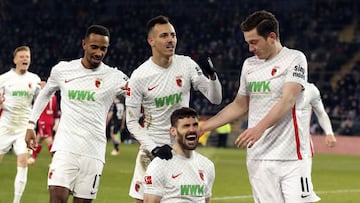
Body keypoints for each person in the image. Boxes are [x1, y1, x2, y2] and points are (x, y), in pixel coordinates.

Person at [200, 10, 310, 202]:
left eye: (254, 42)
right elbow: (239, 105)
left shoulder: (295, 58)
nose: (250, 48)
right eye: (248, 43)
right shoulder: (249, 65)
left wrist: (259, 128)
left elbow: (288, 100)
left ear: (272, 37)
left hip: (291, 157)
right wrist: (204, 127)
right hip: (258, 157)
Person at [25, 25, 129, 203]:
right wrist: (30, 124)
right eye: (94, 47)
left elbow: (139, 93)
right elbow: (45, 93)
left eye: (103, 48)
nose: (98, 52)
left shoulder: (115, 76)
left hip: (94, 151)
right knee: (56, 198)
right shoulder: (63, 70)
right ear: (84, 44)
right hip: (66, 147)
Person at [126, 15, 222, 202]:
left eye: (173, 35)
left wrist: (212, 75)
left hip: (182, 148)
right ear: (151, 40)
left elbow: (215, 98)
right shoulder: (139, 76)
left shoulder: (186, 64)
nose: (171, 40)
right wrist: (153, 148)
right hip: (151, 150)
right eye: (164, 35)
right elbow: (131, 121)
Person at [143, 107, 215, 203]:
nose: (192, 130)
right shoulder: (159, 165)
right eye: (186, 126)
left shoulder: (207, 165)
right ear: (173, 131)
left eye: (195, 125)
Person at [0, 45, 41, 203]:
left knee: (23, 161)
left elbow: (40, 100)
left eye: (27, 57)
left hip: (24, 127)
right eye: (22, 56)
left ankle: (16, 201)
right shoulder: (4, 78)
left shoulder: (34, 79)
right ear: (15, 59)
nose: (25, 59)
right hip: (5, 125)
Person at [297, 82, 336, 202]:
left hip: (302, 150)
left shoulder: (311, 90)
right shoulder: (275, 86)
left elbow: (321, 113)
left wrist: (329, 133)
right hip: (276, 150)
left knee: (304, 194)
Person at [28, 94, 60, 164]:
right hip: (50, 118)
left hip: (44, 119)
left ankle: (56, 161)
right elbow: (56, 109)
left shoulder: (44, 94)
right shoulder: (54, 96)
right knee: (38, 139)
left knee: (49, 141)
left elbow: (37, 107)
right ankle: (33, 158)